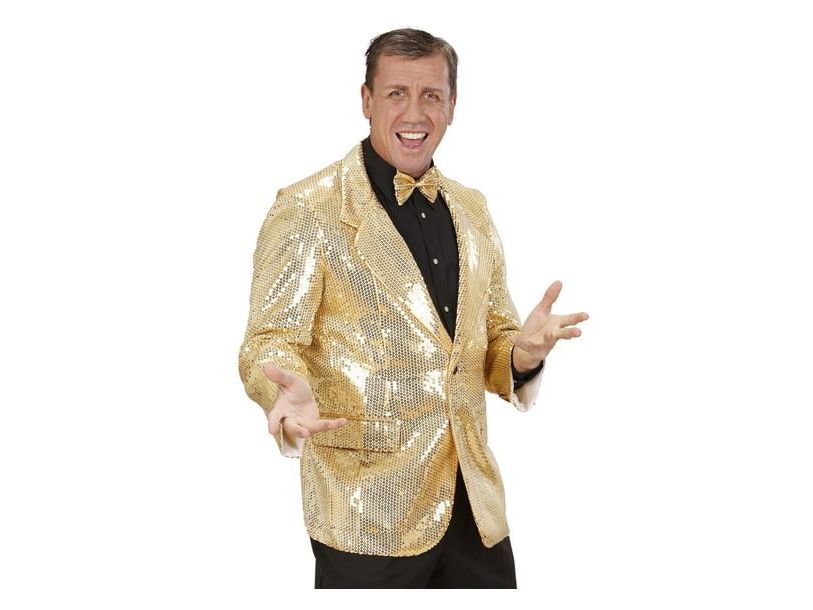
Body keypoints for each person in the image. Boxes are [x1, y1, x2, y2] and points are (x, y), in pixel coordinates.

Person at [238, 28, 588, 589]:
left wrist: (522, 355)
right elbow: (269, 340)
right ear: (366, 100)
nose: (415, 112)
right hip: (367, 511)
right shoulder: (307, 208)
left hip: (473, 508)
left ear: (452, 105)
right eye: (396, 93)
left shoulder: (473, 209)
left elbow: (492, 342)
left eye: (431, 95)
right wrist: (279, 393)